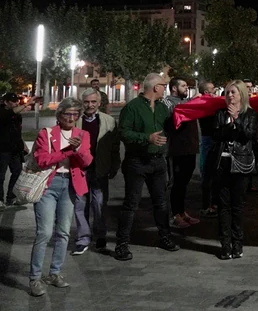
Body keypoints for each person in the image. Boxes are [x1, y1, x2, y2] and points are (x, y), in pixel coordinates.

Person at [28, 97, 93, 297]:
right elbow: (41, 159)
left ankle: (55, 273)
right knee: (45, 232)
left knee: (64, 232)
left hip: (70, 185)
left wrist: (78, 150)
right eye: (68, 114)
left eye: (76, 114)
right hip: (49, 184)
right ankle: (35, 278)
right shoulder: (46, 134)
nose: (72, 118)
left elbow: (87, 161)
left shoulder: (83, 134)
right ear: (59, 115)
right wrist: (67, 150)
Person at [114, 73, 179, 261]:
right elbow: (124, 133)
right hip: (137, 162)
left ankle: (165, 237)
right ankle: (122, 244)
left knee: (161, 202)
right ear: (155, 87)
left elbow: (169, 127)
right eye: (163, 85)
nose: (165, 89)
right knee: (131, 203)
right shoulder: (132, 108)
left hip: (158, 161)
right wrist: (146, 138)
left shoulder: (161, 108)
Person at [211, 80, 258, 260]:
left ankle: (238, 244)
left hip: (241, 164)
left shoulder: (250, 114)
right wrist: (229, 123)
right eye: (228, 92)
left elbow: (249, 135)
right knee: (223, 207)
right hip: (222, 164)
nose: (230, 96)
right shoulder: (220, 114)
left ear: (242, 95)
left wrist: (237, 119)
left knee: (237, 206)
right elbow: (216, 135)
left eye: (234, 92)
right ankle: (225, 244)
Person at [72, 88, 120, 254]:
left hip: (100, 170)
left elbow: (114, 147)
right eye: (86, 102)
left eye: (93, 102)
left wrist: (115, 165)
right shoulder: (74, 120)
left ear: (99, 103)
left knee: (99, 204)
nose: (90, 105)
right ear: (82, 103)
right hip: (79, 169)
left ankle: (100, 235)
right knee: (80, 204)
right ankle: (83, 238)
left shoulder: (109, 121)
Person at [162, 77, 201, 228]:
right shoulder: (167, 103)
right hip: (176, 150)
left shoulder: (186, 102)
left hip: (189, 149)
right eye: (183, 86)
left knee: (183, 184)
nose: (186, 88)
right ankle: (174, 215)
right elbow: (172, 119)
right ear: (173, 88)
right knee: (175, 184)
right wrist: (192, 102)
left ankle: (182, 212)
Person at [0, 92, 35, 208]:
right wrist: (27, 104)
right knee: (1, 175)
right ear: (5, 102)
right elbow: (10, 113)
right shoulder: (3, 112)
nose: (16, 103)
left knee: (17, 172)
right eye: (13, 101)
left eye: (17, 101)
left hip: (15, 149)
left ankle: (11, 197)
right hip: (3, 149)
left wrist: (23, 144)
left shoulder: (17, 115)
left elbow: (17, 131)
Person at [198, 81, 219, 218]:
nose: (215, 91)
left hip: (214, 139)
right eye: (212, 89)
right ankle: (206, 205)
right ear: (206, 92)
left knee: (216, 173)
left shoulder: (211, 103)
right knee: (207, 173)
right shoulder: (204, 103)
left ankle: (214, 202)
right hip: (208, 139)